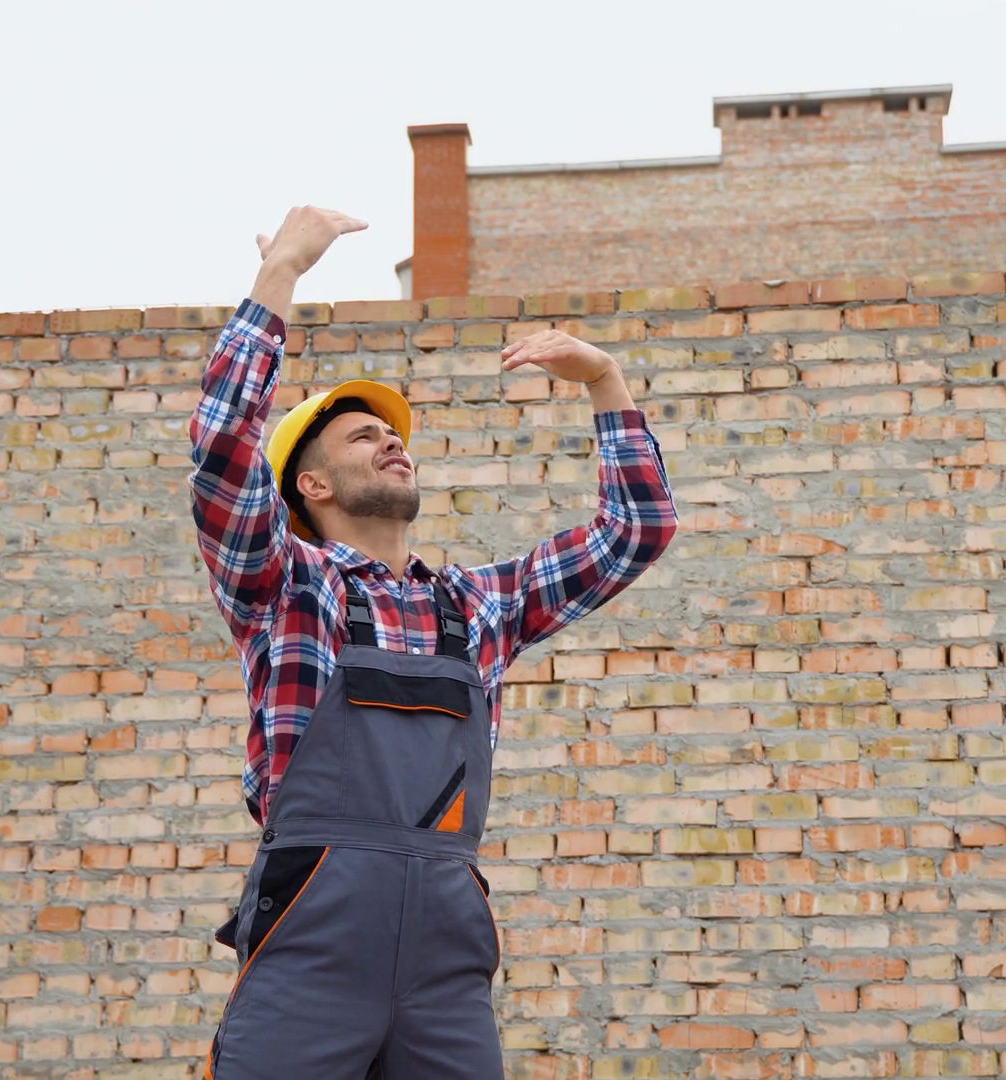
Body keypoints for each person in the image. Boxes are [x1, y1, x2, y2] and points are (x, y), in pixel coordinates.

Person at [188, 206, 678, 1079]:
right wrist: (281, 274)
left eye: (395, 436)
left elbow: (635, 529)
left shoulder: (479, 606)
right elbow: (224, 447)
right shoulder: (286, 586)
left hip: (445, 956)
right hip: (315, 939)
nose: (392, 442)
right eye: (363, 436)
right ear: (312, 484)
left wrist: (604, 379)